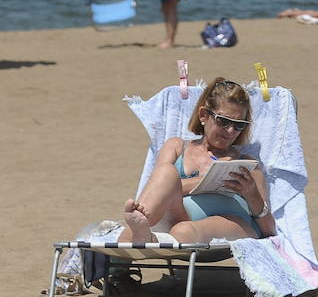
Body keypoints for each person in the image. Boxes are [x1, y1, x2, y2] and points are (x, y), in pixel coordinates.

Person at [117, 77, 275, 245]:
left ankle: (150, 237)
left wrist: (252, 195)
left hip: (233, 221)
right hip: (178, 216)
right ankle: (140, 226)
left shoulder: (248, 164)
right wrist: (205, 181)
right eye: (224, 121)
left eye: (239, 125)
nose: (230, 131)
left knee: (185, 230)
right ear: (203, 115)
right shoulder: (176, 147)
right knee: (165, 173)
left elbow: (269, 230)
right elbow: (159, 189)